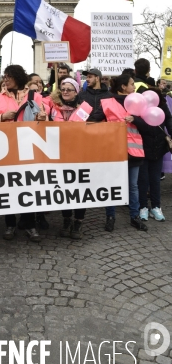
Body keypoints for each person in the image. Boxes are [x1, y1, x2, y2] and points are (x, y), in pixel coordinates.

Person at [0, 65, 46, 242]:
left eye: (8, 77)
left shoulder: (35, 96)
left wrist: (43, 118)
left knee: (29, 187)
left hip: (29, 149)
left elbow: (44, 121)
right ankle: (10, 224)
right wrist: (3, 118)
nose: (4, 80)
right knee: (9, 188)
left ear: (18, 77)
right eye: (4, 77)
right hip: (6, 149)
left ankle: (29, 224)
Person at [91, 74, 148, 232]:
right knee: (112, 185)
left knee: (133, 186)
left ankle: (134, 217)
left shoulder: (138, 102)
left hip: (134, 151)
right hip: (113, 151)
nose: (134, 86)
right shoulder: (107, 102)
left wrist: (135, 119)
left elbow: (148, 127)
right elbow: (93, 121)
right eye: (131, 84)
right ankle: (110, 217)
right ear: (123, 87)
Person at [48, 78, 92, 240]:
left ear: (76, 92)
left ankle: (78, 222)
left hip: (79, 155)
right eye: (63, 89)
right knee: (64, 190)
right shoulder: (53, 108)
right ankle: (66, 220)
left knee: (80, 190)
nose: (65, 91)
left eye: (69, 89)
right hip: (59, 155)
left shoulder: (85, 108)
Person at [137, 87, 172, 222]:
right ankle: (143, 207)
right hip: (143, 149)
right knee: (143, 180)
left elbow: (169, 121)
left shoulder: (163, 108)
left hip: (158, 149)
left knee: (155, 180)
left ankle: (156, 207)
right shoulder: (140, 108)